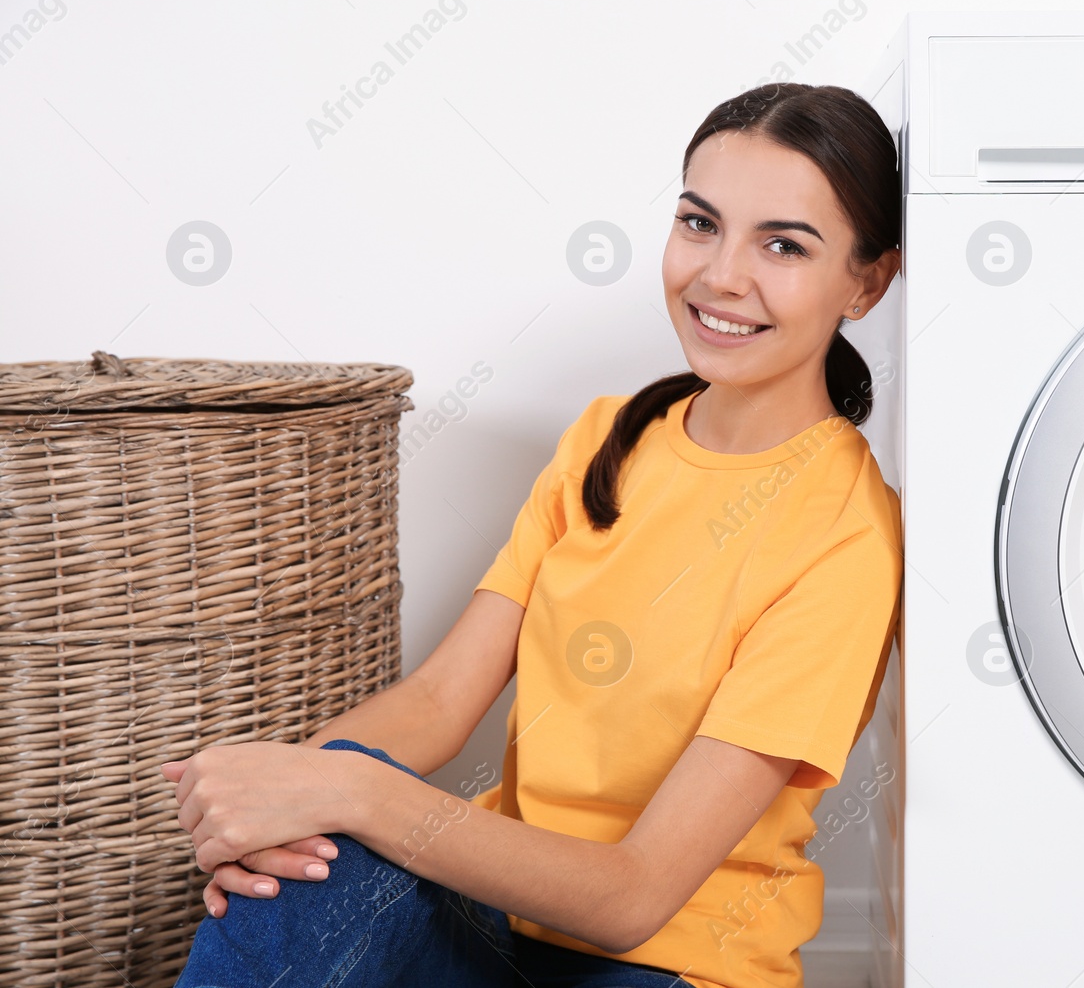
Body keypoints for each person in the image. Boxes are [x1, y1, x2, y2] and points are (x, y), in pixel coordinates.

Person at [161, 81, 905, 988]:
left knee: (354, 792)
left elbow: (633, 897)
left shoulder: (848, 537)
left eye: (783, 244)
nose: (720, 276)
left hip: (669, 969)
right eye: (699, 224)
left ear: (866, 282)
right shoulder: (607, 437)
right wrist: (282, 806)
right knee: (310, 868)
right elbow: (437, 705)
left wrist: (350, 789)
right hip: (505, 934)